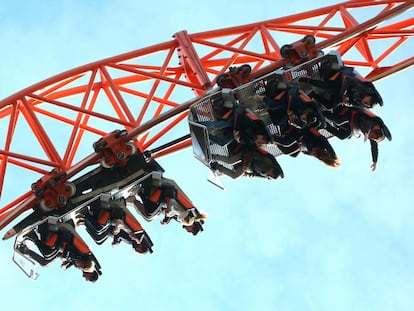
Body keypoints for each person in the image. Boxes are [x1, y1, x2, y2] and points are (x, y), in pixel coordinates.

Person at [17, 219, 102, 282]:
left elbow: (73, 261)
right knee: (48, 254)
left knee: (45, 263)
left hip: (62, 246)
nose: (85, 279)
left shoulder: (79, 262)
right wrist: (65, 258)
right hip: (64, 238)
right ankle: (33, 236)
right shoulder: (81, 256)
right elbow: (68, 247)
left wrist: (66, 264)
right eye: (88, 279)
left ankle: (26, 250)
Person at [324, 105, 391, 171]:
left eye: (372, 138)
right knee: (338, 120)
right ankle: (323, 114)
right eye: (373, 136)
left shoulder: (371, 135)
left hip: (352, 122)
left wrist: (375, 161)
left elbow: (374, 147)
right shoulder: (373, 122)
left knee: (343, 136)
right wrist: (366, 132)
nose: (371, 137)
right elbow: (366, 124)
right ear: (375, 130)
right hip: (352, 113)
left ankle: (325, 125)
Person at [77, 196, 153, 254]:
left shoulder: (132, 241)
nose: (137, 252)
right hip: (116, 215)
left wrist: (117, 242)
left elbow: (121, 235)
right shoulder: (133, 239)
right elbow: (120, 233)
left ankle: (86, 219)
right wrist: (116, 242)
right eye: (140, 251)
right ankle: (85, 213)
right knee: (99, 230)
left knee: (99, 240)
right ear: (141, 246)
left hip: (115, 221)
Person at [299, 65, 383, 110]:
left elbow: (351, 103)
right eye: (369, 101)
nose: (367, 103)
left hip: (342, 90)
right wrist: (343, 94)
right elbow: (347, 78)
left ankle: (312, 94)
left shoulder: (360, 103)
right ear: (370, 95)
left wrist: (345, 101)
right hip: (344, 77)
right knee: (327, 86)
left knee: (330, 105)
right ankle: (306, 80)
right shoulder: (363, 88)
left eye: (368, 104)